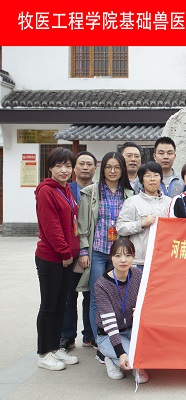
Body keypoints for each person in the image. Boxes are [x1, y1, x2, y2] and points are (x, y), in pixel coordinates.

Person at [76, 152, 134, 354]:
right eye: (108, 167)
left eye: (117, 167)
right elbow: (82, 225)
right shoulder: (91, 192)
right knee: (95, 296)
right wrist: (83, 251)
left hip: (120, 254)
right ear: (102, 169)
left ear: (122, 170)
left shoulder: (129, 194)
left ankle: (115, 339)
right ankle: (99, 341)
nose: (112, 171)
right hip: (98, 251)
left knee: (119, 295)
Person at [34, 147, 80, 370]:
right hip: (52, 257)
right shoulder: (46, 191)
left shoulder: (66, 189)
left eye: (68, 166)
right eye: (59, 165)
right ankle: (44, 353)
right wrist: (64, 253)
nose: (64, 170)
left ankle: (54, 348)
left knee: (61, 304)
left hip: (66, 257)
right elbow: (51, 227)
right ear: (50, 167)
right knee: (49, 306)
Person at [95, 238, 148, 383]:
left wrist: (142, 309)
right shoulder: (101, 285)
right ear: (111, 257)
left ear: (133, 257)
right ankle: (110, 357)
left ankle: (126, 358)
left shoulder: (138, 275)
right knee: (132, 357)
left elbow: (148, 300)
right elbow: (109, 323)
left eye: (128, 255)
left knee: (154, 352)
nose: (123, 260)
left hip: (132, 330)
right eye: (118, 256)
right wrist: (121, 352)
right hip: (108, 334)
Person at [60, 151, 97, 351]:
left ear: (95, 168)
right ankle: (67, 336)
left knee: (90, 295)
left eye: (89, 164)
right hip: (70, 250)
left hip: (92, 251)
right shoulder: (66, 190)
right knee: (69, 296)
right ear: (74, 168)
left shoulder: (99, 190)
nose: (85, 167)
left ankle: (89, 335)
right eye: (81, 164)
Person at [117, 162, 172, 269]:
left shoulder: (169, 202)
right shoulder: (132, 202)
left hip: (163, 260)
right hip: (140, 261)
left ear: (161, 178)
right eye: (148, 176)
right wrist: (141, 224)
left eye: (156, 175)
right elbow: (121, 228)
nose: (152, 179)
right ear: (141, 179)